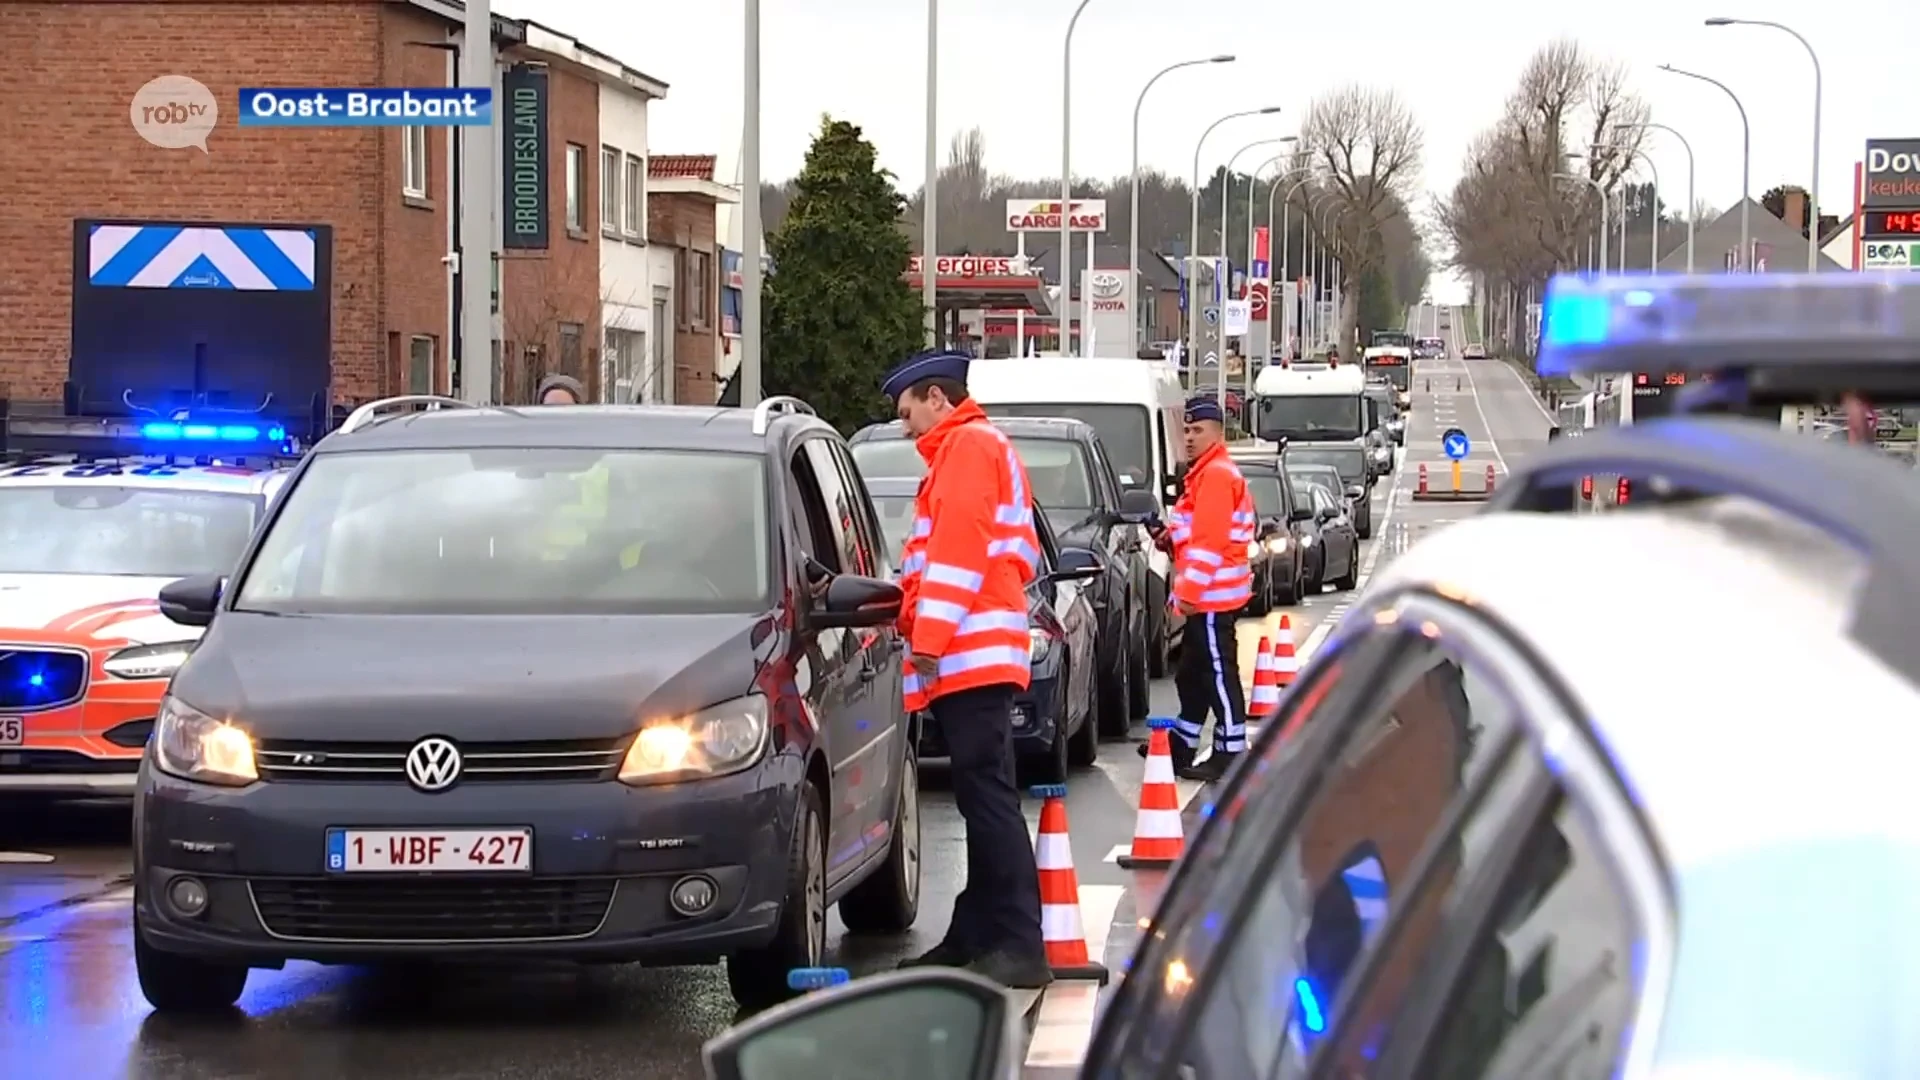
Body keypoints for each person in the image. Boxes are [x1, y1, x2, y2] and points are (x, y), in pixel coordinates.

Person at [883, 348, 1051, 990]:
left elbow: (957, 552)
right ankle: (979, 932)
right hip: (974, 650)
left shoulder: (967, 449)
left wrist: (927, 638)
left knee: (988, 800)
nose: (906, 428)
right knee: (983, 798)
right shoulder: (970, 448)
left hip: (969, 651)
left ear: (937, 399)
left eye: (908, 413)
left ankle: (1014, 941)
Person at [1145, 396, 1255, 781]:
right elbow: (1192, 540)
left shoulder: (1216, 476)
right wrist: (1165, 538)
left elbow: (1209, 544)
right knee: (1192, 675)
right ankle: (1182, 744)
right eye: (1187, 430)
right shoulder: (1203, 475)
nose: (1189, 438)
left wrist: (1187, 598)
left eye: (1198, 431)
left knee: (1216, 673)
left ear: (1217, 434)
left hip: (1210, 599)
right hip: (1205, 598)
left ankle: (1231, 752)